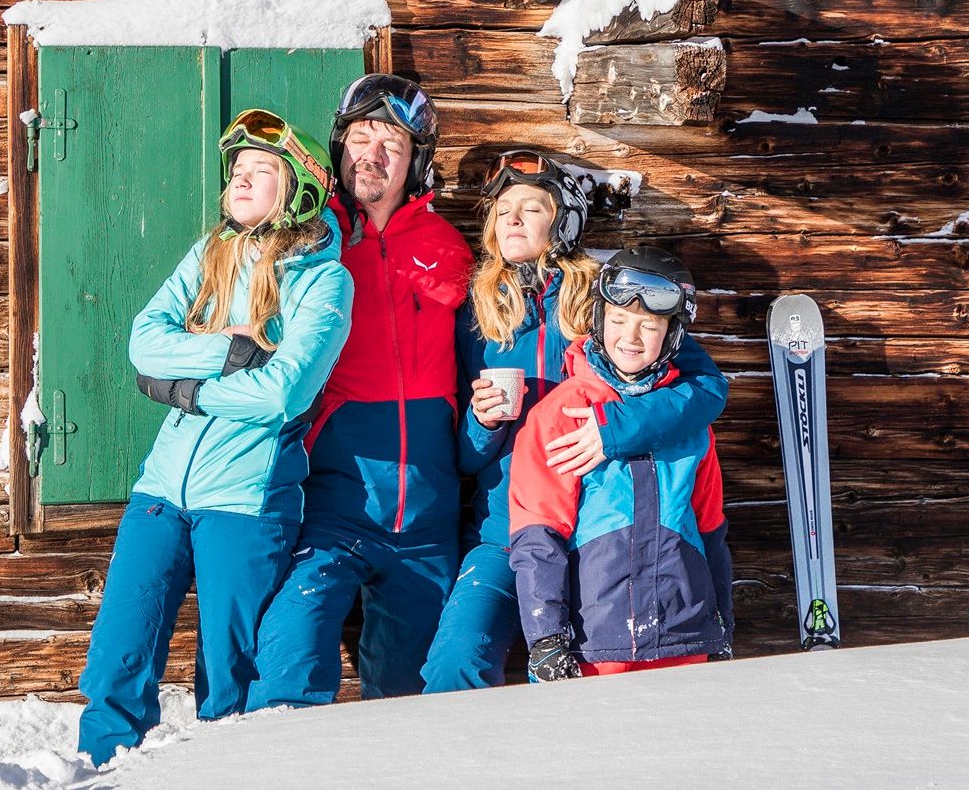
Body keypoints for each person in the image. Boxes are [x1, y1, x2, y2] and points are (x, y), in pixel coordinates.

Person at [76, 109, 352, 767]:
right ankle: (99, 767)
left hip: (247, 497)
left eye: (262, 171)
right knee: (119, 651)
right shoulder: (211, 254)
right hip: (161, 485)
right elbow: (143, 340)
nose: (242, 180)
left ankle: (224, 775)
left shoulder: (325, 279)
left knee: (228, 671)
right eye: (237, 170)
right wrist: (228, 350)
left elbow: (285, 391)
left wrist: (188, 390)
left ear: (299, 189)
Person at [421, 157, 728, 692]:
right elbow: (464, 457)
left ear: (562, 221)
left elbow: (704, 390)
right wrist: (482, 422)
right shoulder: (477, 311)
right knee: (456, 664)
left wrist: (615, 431)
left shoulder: (605, 298)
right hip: (503, 533)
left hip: (597, 531)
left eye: (531, 208)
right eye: (503, 209)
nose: (513, 219)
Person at [247, 73, 476, 708]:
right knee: (290, 649)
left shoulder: (449, 248)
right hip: (334, 498)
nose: (370, 156)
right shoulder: (307, 240)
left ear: (416, 163)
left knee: (409, 691)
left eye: (391, 145)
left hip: (429, 513)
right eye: (358, 138)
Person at [507, 245, 735, 680]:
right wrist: (546, 640)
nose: (630, 338)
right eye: (617, 320)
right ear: (598, 320)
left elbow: (710, 530)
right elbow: (538, 536)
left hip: (685, 639)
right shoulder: (562, 413)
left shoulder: (690, 419)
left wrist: (720, 620)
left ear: (672, 336)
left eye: (649, 326)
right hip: (595, 644)